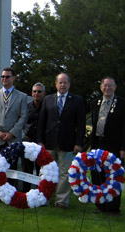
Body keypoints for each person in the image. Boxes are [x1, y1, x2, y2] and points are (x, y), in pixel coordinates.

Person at [37, 73, 85, 209]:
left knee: (65, 173)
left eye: (65, 83)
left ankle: (61, 201)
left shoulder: (77, 100)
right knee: (46, 171)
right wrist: (40, 140)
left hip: (68, 143)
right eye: (60, 82)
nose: (62, 85)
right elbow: (42, 121)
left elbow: (80, 124)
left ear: (69, 84)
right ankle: (43, 198)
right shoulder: (48, 99)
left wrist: (78, 143)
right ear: (56, 84)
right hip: (49, 142)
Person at [90, 76, 125, 215]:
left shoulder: (123, 104)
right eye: (105, 85)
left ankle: (113, 208)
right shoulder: (95, 103)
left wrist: (124, 148)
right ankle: (101, 206)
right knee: (98, 175)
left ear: (115, 87)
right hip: (98, 143)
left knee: (113, 176)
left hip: (114, 145)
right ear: (101, 87)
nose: (107, 88)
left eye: (110, 85)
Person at [0, 67, 28, 197]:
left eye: (7, 76)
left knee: (12, 167)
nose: (4, 79)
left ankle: (10, 194)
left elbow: (23, 116)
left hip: (12, 139)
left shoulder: (22, 96)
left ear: (13, 78)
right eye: (2, 76)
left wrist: (12, 133)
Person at [22, 82, 46, 192]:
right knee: (27, 168)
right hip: (28, 141)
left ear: (44, 93)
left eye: (39, 91)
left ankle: (39, 191)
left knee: (40, 169)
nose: (36, 93)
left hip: (42, 142)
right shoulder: (27, 107)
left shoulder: (47, 107)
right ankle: (26, 191)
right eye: (34, 91)